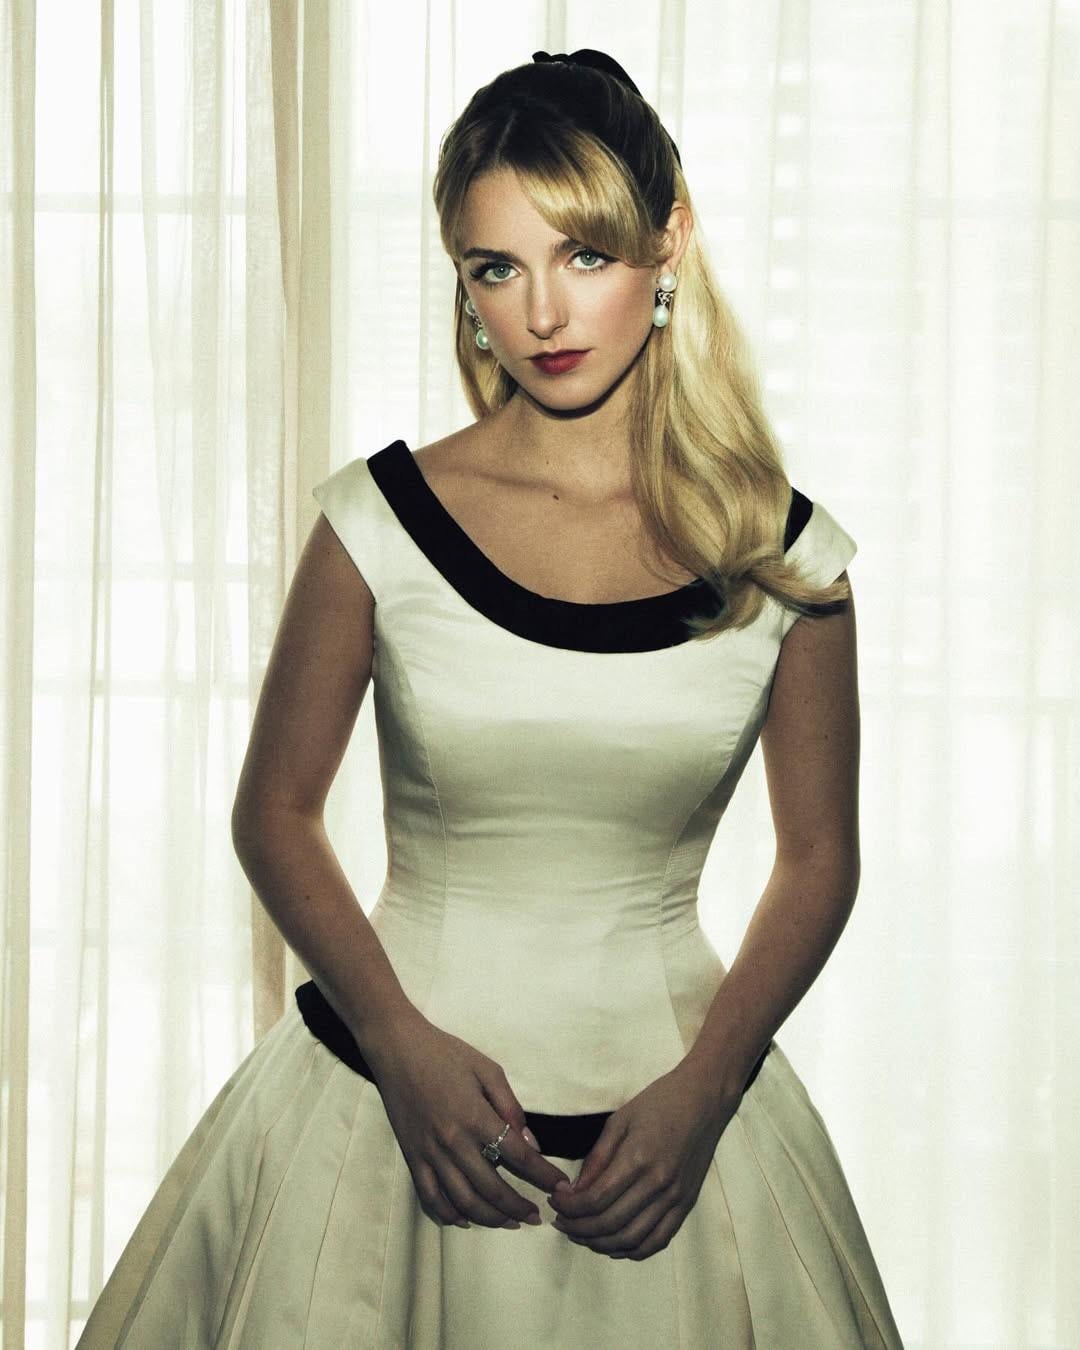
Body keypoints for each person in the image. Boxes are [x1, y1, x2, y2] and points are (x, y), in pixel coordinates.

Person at [78, 48, 904, 1349]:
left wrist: (705, 1089)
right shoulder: (377, 521)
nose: (545, 313)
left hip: (680, 1133)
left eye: (584, 254)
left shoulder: (789, 557)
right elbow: (274, 813)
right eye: (496, 268)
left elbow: (820, 860)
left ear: (670, 241)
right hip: (376, 1106)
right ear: (462, 288)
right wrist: (398, 1043)